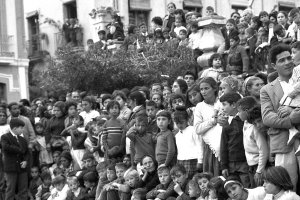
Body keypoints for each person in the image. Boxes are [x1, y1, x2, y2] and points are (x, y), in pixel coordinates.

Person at [219, 93, 250, 188]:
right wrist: (224, 166)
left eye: (224, 104)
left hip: (244, 161)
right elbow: (223, 146)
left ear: (233, 105)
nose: (222, 108)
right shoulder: (227, 123)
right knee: (233, 187)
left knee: (246, 187)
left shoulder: (245, 121)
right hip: (231, 164)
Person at [237, 98, 268, 187]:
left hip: (259, 166)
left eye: (239, 111)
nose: (238, 114)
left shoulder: (255, 127)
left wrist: (259, 171)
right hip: (251, 165)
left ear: (246, 111)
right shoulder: (246, 123)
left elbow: (263, 150)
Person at [194, 77, 222, 176]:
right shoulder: (200, 107)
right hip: (210, 149)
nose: (203, 92)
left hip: (225, 144)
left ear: (214, 88)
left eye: (206, 88)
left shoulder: (222, 102)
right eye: (201, 89)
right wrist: (213, 121)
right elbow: (197, 129)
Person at [2, 118, 29, 200]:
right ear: (15, 128)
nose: (22, 130)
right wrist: (20, 149)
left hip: (22, 168)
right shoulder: (5, 137)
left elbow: (27, 152)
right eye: (21, 128)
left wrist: (25, 161)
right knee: (10, 189)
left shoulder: (22, 139)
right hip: (11, 168)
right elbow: (6, 147)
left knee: (23, 189)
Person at [174, 106, 201, 179]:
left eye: (182, 122)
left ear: (187, 120)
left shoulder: (193, 130)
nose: (179, 125)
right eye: (177, 123)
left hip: (193, 160)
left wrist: (200, 161)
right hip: (181, 161)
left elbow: (199, 145)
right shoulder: (177, 135)